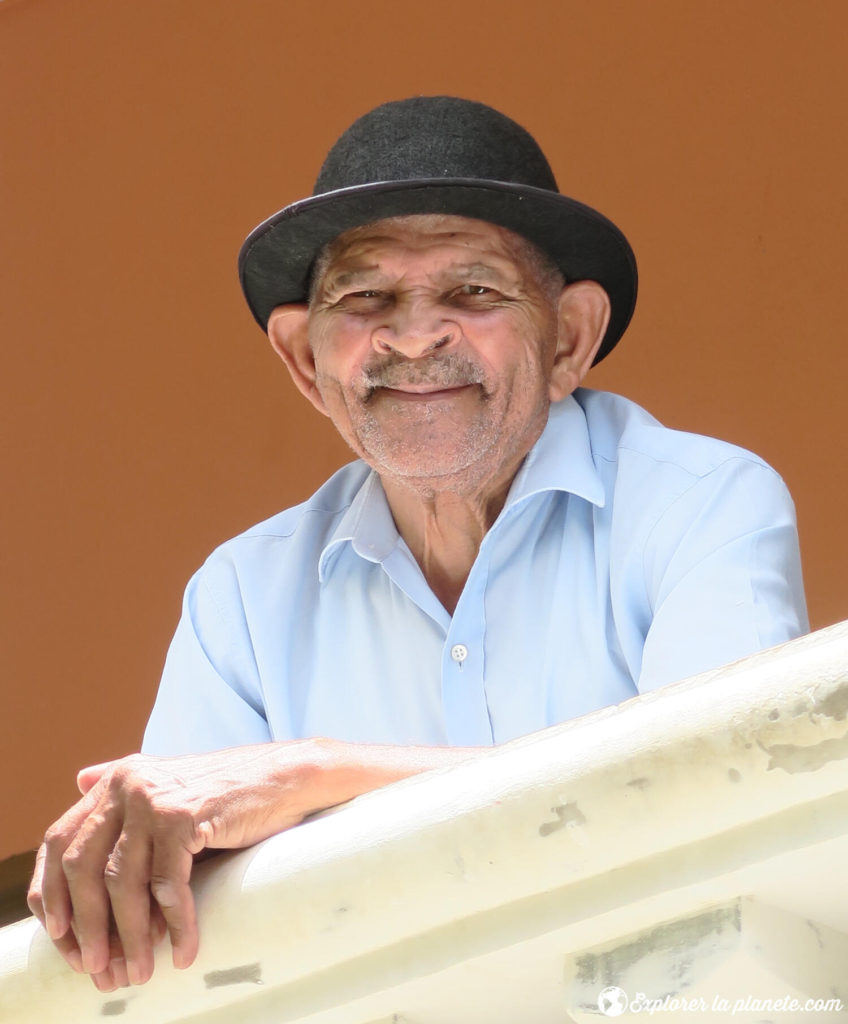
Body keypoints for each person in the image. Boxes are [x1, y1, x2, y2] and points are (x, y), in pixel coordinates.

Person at [27, 96, 808, 993]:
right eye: (366, 297)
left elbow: (722, 790)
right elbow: (181, 919)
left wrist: (313, 776)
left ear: (571, 340)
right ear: (304, 362)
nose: (413, 335)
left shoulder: (702, 503)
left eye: (473, 291)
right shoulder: (240, 596)